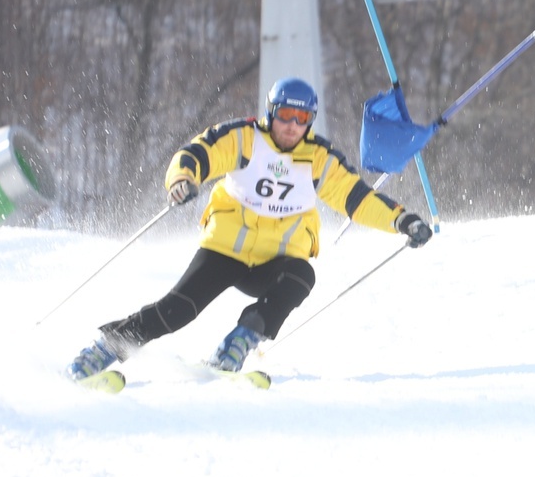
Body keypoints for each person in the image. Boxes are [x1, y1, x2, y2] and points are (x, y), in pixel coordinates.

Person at [66, 77, 432, 380]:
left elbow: (357, 198)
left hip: (276, 261)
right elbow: (196, 154)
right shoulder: (244, 138)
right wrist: (182, 179)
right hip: (226, 251)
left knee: (302, 276)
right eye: (285, 114)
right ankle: (103, 350)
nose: (292, 125)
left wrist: (402, 220)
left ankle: (238, 344)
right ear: (271, 112)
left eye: (302, 118)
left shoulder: (319, 157)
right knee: (178, 310)